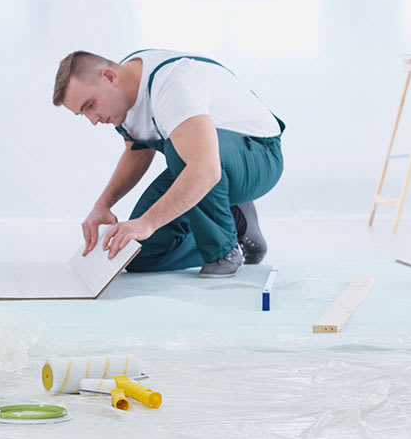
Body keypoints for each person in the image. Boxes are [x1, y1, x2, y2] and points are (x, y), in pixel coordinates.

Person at [52, 49, 283, 278]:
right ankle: (237, 229)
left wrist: (149, 222)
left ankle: (223, 252)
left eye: (90, 105)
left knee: (178, 152)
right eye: (82, 114)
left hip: (257, 156)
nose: (92, 120)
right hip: (201, 161)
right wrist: (103, 205)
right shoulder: (120, 96)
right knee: (137, 252)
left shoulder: (172, 86)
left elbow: (205, 169)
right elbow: (138, 152)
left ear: (110, 77)